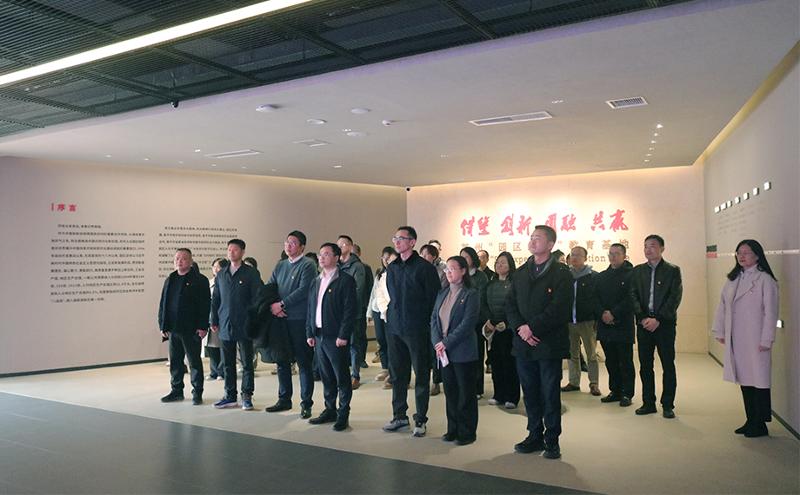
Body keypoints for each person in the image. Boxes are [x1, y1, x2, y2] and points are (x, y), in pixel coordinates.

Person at [506, 225, 572, 460]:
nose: (533, 241)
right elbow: (510, 305)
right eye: (531, 237)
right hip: (524, 343)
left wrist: (532, 327)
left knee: (550, 393)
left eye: (538, 238)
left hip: (548, 343)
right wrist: (521, 329)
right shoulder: (521, 272)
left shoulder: (561, 273)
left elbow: (560, 308)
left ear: (550, 244)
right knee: (530, 392)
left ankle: (552, 440)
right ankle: (534, 434)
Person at [712, 240, 779, 438]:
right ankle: (750, 420)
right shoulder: (733, 279)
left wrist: (766, 339)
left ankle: (760, 423)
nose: (741, 256)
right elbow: (722, 306)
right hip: (738, 338)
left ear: (757, 255)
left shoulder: (765, 279)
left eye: (746, 253)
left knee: (759, 381)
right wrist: (720, 331)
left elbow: (771, 312)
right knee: (745, 381)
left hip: (756, 339)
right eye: (739, 252)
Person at [383, 226, 441, 437]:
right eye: (395, 238)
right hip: (395, 328)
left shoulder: (425, 268)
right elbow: (391, 296)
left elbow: (433, 300)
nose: (397, 242)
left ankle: (421, 419)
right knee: (398, 375)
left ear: (412, 242)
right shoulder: (392, 267)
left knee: (421, 374)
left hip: (418, 329)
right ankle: (399, 416)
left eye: (402, 238)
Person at [264, 231, 318, 419]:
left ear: (302, 247)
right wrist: (274, 306)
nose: (288, 245)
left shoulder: (308, 265)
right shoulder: (280, 265)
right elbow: (271, 286)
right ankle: (284, 399)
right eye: (287, 242)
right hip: (280, 319)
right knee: (281, 360)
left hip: (299, 320)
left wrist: (282, 304)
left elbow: (304, 290)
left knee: (303, 362)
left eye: (293, 243)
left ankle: (306, 403)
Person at [306, 243, 358, 431]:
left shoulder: (345, 280)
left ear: (336, 257)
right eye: (320, 254)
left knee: (341, 377)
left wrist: (343, 334)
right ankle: (330, 409)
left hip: (336, 337)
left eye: (327, 254)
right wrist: (310, 332)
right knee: (326, 376)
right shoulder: (316, 280)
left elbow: (350, 310)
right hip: (319, 335)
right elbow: (311, 308)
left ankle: (343, 413)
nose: (321, 257)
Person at [631, 234, 682, 419]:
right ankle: (648, 403)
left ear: (662, 248)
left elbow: (674, 297)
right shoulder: (638, 271)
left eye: (652, 246)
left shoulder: (672, 270)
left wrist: (658, 319)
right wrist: (643, 317)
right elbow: (633, 295)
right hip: (644, 325)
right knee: (645, 365)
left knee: (668, 364)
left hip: (664, 325)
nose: (648, 249)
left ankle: (667, 404)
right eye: (645, 246)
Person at [431, 256, 481, 445]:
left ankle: (467, 432)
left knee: (465, 393)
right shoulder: (442, 293)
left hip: (463, 351)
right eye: (447, 269)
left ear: (463, 271)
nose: (448, 272)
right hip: (444, 352)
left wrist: (446, 342)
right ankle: (453, 429)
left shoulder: (470, 294)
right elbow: (433, 319)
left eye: (453, 268)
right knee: (450, 392)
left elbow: (467, 324)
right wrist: (437, 342)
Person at [211, 239, 263, 410]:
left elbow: (257, 298)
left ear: (242, 252)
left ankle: (247, 395)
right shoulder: (222, 274)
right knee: (227, 363)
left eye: (235, 250)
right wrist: (214, 319)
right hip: (225, 322)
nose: (231, 252)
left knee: (247, 362)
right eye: (229, 250)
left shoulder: (251, 273)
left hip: (245, 323)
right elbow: (216, 299)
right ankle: (230, 395)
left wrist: (253, 318)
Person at [158, 249, 210, 405]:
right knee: (175, 362)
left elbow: (205, 305)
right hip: (173, 329)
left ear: (191, 261)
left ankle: (197, 392)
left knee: (194, 362)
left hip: (191, 329)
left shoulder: (200, 280)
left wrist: (203, 326)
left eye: (183, 258)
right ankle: (176, 391)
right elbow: (163, 303)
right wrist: (163, 325)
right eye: (177, 258)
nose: (179, 261)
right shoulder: (171, 279)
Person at [595, 243, 635, 407]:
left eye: (617, 253)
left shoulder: (632, 275)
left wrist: (614, 313)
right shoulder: (601, 276)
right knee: (610, 361)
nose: (613, 256)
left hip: (623, 324)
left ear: (624, 256)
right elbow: (594, 298)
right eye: (610, 253)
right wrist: (603, 313)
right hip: (605, 324)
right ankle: (615, 390)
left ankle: (627, 393)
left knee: (625, 361)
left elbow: (631, 299)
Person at [561, 246, 601, 396]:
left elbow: (597, 299)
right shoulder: (565, 276)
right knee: (572, 353)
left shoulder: (593, 276)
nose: (575, 258)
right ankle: (574, 382)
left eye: (578, 255)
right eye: (572, 255)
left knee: (591, 354)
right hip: (569, 321)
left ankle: (594, 383)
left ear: (585, 258)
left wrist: (596, 319)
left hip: (587, 321)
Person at [483, 251, 520, 409]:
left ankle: (512, 396)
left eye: (503, 262)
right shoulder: (490, 284)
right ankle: (498, 394)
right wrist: (489, 321)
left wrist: (507, 323)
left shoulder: (515, 284)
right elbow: (484, 304)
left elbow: (518, 307)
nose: (500, 265)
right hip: (494, 329)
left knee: (510, 363)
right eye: (498, 262)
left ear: (510, 265)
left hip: (509, 329)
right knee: (496, 362)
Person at [337, 235, 368, 390]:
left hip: (352, 312)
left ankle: (355, 375)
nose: (339, 247)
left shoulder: (357, 266)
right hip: (336, 312)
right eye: (337, 245)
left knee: (353, 344)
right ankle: (341, 375)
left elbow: (358, 290)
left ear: (350, 246)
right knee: (338, 345)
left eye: (342, 245)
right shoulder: (336, 265)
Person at [460, 246, 489, 396]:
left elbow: (481, 299)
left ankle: (477, 388)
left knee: (477, 355)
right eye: (462, 257)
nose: (464, 259)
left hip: (477, 321)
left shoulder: (481, 276)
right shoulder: (460, 275)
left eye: (466, 257)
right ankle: (465, 386)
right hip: (461, 321)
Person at [367, 247, 396, 386]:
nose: (386, 260)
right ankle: (385, 367)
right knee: (381, 340)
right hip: (377, 310)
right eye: (384, 257)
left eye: (389, 258)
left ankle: (393, 370)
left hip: (389, 312)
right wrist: (369, 312)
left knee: (391, 342)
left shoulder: (395, 274)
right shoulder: (379, 273)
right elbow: (373, 294)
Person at [420, 243, 445, 396]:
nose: (423, 257)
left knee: (434, 348)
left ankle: (436, 381)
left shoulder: (442, 270)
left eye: (426, 254)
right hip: (421, 315)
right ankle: (425, 380)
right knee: (423, 351)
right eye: (421, 254)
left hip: (436, 314)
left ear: (434, 256)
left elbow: (442, 291)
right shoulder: (418, 269)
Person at [205, 257, 228, 381]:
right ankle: (213, 371)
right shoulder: (209, 282)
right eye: (213, 267)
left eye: (217, 267)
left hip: (221, 318)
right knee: (212, 346)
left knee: (222, 346)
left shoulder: (226, 281)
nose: (215, 269)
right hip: (209, 317)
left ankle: (221, 371)